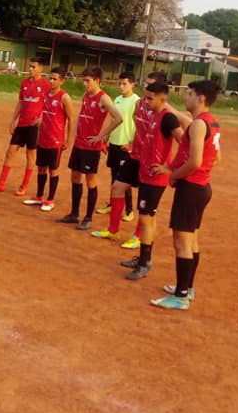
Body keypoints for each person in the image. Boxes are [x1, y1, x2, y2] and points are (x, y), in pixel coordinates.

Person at [151, 80, 222, 310]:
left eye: (190, 94)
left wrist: (173, 175)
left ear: (201, 98)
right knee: (191, 240)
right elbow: (216, 159)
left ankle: (181, 296)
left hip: (191, 188)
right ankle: (187, 288)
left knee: (181, 241)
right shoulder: (211, 123)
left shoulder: (200, 125)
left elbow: (195, 162)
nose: (187, 97)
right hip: (202, 187)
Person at [119, 81, 183, 280]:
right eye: (145, 97)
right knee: (147, 218)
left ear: (162, 99)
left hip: (156, 178)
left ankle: (145, 263)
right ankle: (143, 258)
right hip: (145, 174)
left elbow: (185, 143)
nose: (145, 101)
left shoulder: (168, 118)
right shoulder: (155, 115)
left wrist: (169, 167)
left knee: (146, 218)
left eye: (149, 98)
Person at [56, 67, 121, 230]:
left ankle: (88, 217)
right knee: (75, 177)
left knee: (90, 179)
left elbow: (118, 118)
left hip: (91, 148)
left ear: (97, 81)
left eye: (88, 81)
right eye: (83, 80)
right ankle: (74, 214)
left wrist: (101, 136)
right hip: (79, 144)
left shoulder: (103, 98)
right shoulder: (86, 96)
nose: (85, 84)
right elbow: (83, 117)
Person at [0, 58, 49, 197]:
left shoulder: (45, 85)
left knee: (30, 155)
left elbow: (49, 105)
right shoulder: (25, 82)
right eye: (30, 66)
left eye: (33, 67)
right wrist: (13, 120)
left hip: (34, 126)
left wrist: (41, 118)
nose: (31, 69)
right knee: (10, 151)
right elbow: (21, 102)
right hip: (22, 124)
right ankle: (1, 183)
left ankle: (24, 186)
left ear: (41, 69)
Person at [92, 71, 140, 240]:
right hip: (114, 142)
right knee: (115, 178)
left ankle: (129, 211)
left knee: (124, 179)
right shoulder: (118, 100)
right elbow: (113, 121)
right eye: (119, 83)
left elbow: (137, 125)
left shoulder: (137, 102)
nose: (121, 86)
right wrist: (106, 137)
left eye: (124, 84)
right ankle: (113, 204)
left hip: (126, 145)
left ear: (132, 84)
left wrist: (132, 143)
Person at [23, 66, 75, 211]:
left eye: (55, 79)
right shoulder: (45, 94)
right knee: (41, 168)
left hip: (55, 141)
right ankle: (39, 196)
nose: (51, 81)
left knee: (53, 170)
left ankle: (50, 199)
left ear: (62, 81)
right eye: (50, 78)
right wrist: (39, 119)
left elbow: (71, 119)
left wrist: (67, 140)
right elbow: (45, 113)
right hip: (42, 138)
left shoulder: (64, 97)